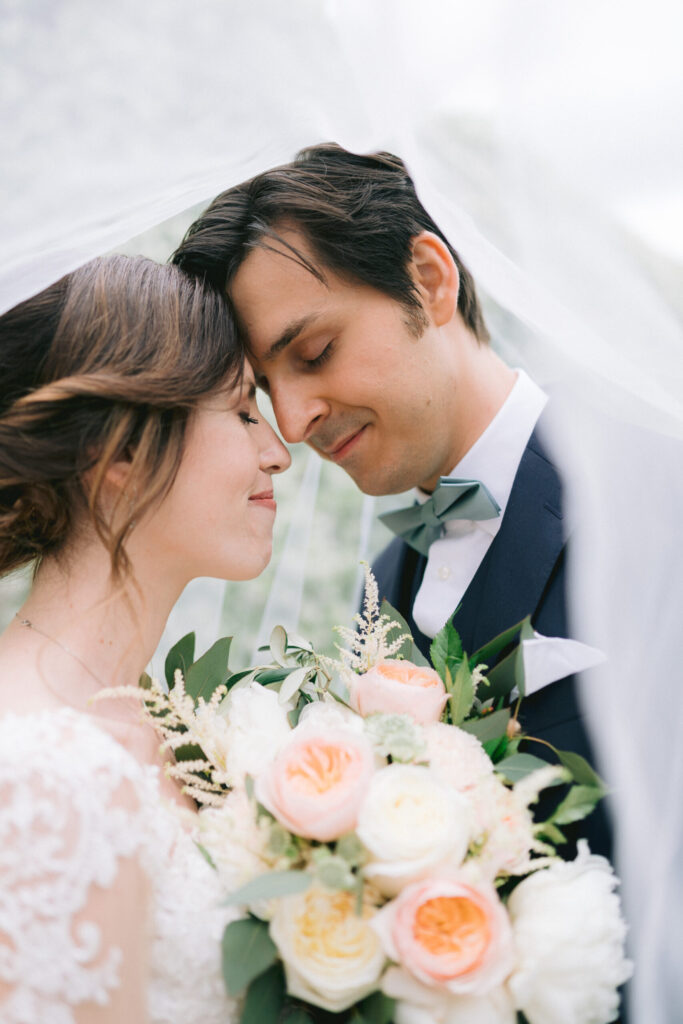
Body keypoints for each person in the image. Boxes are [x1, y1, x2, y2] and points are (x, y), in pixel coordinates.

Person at [171, 143, 611, 861]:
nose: (291, 421)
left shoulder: (637, 504)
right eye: (261, 390)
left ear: (429, 280)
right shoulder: (383, 590)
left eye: (313, 353)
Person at [0, 254, 290, 1023]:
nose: (279, 452)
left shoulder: (171, 729)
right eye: (240, 410)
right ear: (120, 452)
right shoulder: (37, 766)